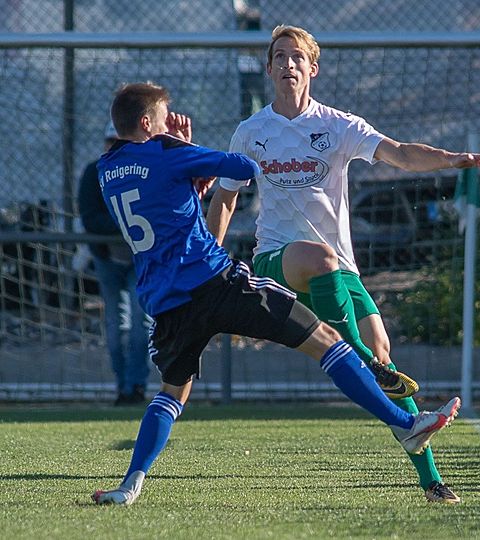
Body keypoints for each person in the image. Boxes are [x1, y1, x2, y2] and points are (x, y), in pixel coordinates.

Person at [91, 82, 460, 506]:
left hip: (167, 302)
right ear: (146, 123)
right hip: (216, 283)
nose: (165, 128)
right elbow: (243, 167)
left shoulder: (107, 169)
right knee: (327, 341)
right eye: (160, 122)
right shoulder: (165, 150)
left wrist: (182, 161)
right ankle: (404, 423)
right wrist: (179, 144)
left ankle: (130, 485)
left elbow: (171, 201)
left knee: (172, 394)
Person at [206, 25, 480, 504]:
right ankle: (361, 358)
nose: (288, 64)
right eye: (279, 56)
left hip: (339, 268)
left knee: (384, 354)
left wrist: (455, 159)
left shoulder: (339, 126)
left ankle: (430, 479)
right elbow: (225, 199)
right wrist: (212, 261)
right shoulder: (250, 133)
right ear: (269, 68)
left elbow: (400, 154)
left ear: (313, 69)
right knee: (325, 270)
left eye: (297, 57)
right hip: (277, 259)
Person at [77, 121, 151, 406]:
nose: (114, 148)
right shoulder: (94, 173)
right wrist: (127, 224)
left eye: (121, 142)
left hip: (139, 259)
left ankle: (137, 386)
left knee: (141, 325)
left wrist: (129, 225)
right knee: (115, 327)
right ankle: (123, 386)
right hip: (108, 259)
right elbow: (91, 218)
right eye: (110, 142)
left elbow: (150, 215)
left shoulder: (142, 172)